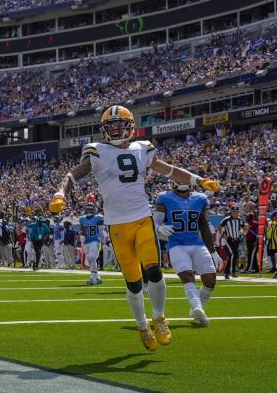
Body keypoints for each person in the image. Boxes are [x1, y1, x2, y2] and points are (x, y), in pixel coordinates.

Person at [50, 105, 220, 351]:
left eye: (121, 125)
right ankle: (142, 325)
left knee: (154, 271)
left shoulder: (143, 148)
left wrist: (197, 180)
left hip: (142, 218)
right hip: (117, 224)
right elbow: (75, 173)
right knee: (133, 282)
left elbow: (169, 170)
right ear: (105, 130)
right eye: (112, 126)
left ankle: (159, 318)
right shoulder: (97, 150)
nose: (117, 130)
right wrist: (60, 192)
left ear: (130, 126)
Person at [154, 183, 221, 327]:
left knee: (210, 280)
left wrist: (213, 250)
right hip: (177, 245)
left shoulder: (200, 198)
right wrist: (159, 228)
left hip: (197, 244)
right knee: (187, 276)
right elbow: (154, 222)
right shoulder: (165, 197)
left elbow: (203, 225)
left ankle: (197, 309)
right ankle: (198, 308)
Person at [79, 203, 105, 285]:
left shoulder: (98, 218)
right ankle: (97, 277)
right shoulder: (82, 219)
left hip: (95, 240)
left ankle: (91, 277)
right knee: (90, 260)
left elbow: (101, 231)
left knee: (92, 257)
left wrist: (103, 241)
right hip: (87, 241)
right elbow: (82, 231)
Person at [216, 206, 245, 279]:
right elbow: (219, 227)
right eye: (234, 211)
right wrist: (223, 235)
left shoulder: (240, 219)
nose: (236, 213)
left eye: (237, 212)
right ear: (231, 212)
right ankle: (233, 271)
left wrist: (242, 232)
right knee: (234, 254)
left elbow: (242, 227)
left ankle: (226, 272)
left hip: (236, 239)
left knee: (233, 255)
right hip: (229, 239)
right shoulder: (226, 219)